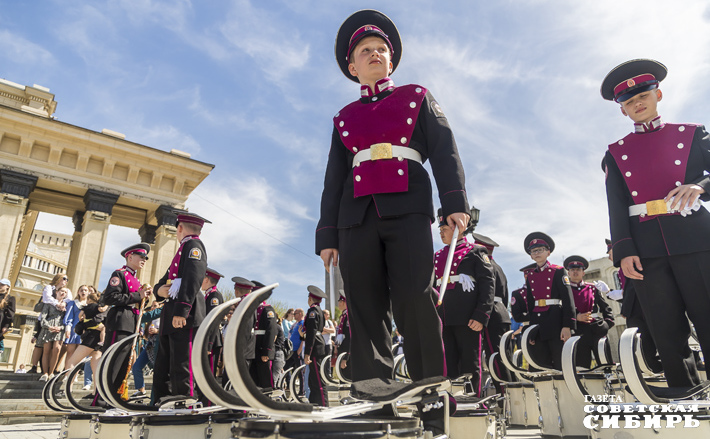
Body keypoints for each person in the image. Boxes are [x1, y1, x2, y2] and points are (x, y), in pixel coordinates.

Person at [316, 10, 470, 433]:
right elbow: (333, 178)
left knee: (414, 297)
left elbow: (444, 149)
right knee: (363, 305)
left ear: (392, 60)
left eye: (381, 50)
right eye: (365, 52)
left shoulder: (417, 96)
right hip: (355, 216)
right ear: (352, 67)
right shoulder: (343, 117)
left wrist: (454, 203)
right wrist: (327, 233)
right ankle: (374, 395)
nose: (375, 55)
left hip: (407, 206)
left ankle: (431, 392)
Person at [601, 59, 710, 387]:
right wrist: (623, 251)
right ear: (623, 111)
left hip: (695, 240)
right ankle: (684, 396)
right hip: (646, 248)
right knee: (666, 330)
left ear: (658, 94)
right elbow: (616, 206)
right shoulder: (615, 153)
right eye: (629, 102)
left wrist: (700, 187)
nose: (637, 104)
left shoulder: (692, 134)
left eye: (643, 96)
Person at [434, 209, 494, 395]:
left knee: (470, 362)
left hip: (467, 317)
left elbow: (487, 285)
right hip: (444, 316)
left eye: (445, 227)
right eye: (440, 228)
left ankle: (472, 403)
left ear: (459, 228)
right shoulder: (437, 256)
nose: (441, 232)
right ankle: (452, 401)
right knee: (447, 362)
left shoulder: (475, 251)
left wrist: (481, 315)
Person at [153, 213, 209, 404]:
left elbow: (193, 279)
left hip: (184, 315)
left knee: (183, 364)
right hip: (171, 313)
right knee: (167, 363)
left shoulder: (194, 246)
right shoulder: (183, 249)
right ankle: (167, 401)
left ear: (179, 228)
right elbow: (165, 280)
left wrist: (181, 311)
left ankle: (186, 402)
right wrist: (158, 290)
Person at [98, 243, 152, 402]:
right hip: (120, 321)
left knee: (123, 364)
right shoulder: (119, 274)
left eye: (145, 258)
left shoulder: (136, 279)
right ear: (130, 257)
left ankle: (115, 398)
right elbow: (110, 297)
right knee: (113, 361)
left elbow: (138, 302)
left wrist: (144, 298)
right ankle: (103, 398)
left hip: (132, 323)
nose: (144, 260)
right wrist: (138, 296)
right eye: (141, 257)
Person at [605, 239, 662, 372]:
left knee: (652, 342)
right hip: (635, 308)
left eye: (610, 252)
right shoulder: (620, 270)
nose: (609, 257)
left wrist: (624, 303)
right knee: (641, 345)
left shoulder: (632, 262)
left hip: (645, 307)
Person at [523, 232, 575, 370]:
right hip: (538, 323)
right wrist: (531, 330)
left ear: (548, 252)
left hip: (555, 320)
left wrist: (567, 326)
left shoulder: (558, 271)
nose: (536, 253)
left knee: (560, 362)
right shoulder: (530, 276)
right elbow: (530, 304)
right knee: (540, 362)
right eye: (533, 251)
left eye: (540, 250)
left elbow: (568, 299)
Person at [471, 232, 513, 391]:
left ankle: (504, 396)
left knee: (495, 358)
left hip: (489, 314)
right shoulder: (498, 267)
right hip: (501, 312)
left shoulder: (484, 266)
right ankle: (511, 394)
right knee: (505, 357)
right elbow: (505, 295)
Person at [563, 256, 615, 368]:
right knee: (581, 367)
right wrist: (576, 317)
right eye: (572, 269)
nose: (575, 272)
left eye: (578, 269)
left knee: (605, 363)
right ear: (568, 273)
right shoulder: (564, 291)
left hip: (597, 328)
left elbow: (605, 308)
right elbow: (561, 311)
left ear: (583, 272)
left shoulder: (593, 288)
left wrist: (607, 323)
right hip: (577, 331)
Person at [65, 291, 107, 388]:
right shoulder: (104, 308)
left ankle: (67, 388)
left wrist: (83, 320)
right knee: (95, 365)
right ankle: (96, 391)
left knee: (72, 361)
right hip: (100, 339)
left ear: (89, 299)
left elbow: (80, 317)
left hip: (90, 337)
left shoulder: (88, 307)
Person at [250, 280, 278, 389]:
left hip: (262, 348)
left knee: (266, 379)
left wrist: (267, 351)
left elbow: (271, 331)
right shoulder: (252, 309)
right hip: (253, 348)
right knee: (254, 379)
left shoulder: (268, 309)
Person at [303, 286, 328, 406]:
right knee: (313, 379)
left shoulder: (312, 311)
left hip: (315, 347)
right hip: (318, 343)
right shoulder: (319, 311)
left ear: (310, 298)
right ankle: (315, 403)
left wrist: (307, 352)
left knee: (318, 380)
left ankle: (323, 404)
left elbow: (311, 333)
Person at [37, 287, 68, 381]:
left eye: (65, 292)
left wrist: (61, 328)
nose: (63, 293)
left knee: (57, 349)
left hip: (59, 330)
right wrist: (48, 326)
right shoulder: (49, 303)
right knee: (46, 350)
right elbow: (43, 318)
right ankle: (45, 373)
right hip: (48, 329)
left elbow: (67, 320)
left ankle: (52, 372)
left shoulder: (66, 305)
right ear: (57, 292)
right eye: (62, 291)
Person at [203, 267, 225, 377]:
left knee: (208, 374)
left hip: (211, 339)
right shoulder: (209, 294)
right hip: (207, 338)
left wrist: (208, 344)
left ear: (206, 280)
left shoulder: (214, 296)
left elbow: (213, 321)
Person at [62, 285, 89, 370]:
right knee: (70, 353)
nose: (83, 292)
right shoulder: (73, 303)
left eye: (85, 290)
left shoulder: (90, 305)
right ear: (78, 292)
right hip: (74, 330)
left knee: (80, 355)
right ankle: (67, 372)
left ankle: (75, 374)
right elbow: (69, 316)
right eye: (81, 290)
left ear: (88, 292)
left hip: (85, 331)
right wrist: (68, 329)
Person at [332, 290, 351, 380]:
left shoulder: (348, 316)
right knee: (342, 378)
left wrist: (345, 358)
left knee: (346, 380)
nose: (338, 303)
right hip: (342, 352)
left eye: (339, 301)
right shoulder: (343, 316)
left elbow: (349, 338)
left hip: (346, 354)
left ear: (344, 302)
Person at [0, 279, 16, 357]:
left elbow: (10, 314)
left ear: (7, 287)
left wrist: (6, 326)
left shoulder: (10, 298)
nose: (0, 285)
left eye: (2, 284)